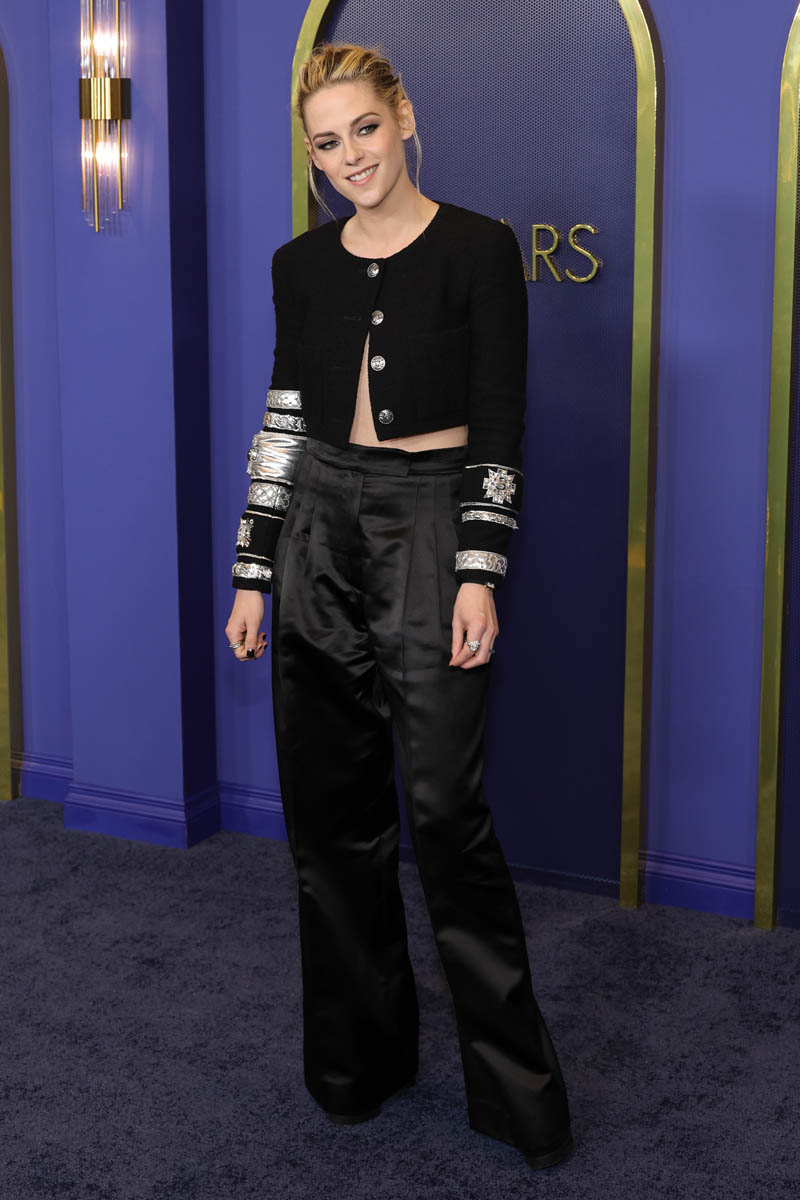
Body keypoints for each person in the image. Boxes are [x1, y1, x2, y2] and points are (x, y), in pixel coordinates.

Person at [224, 41, 574, 1171]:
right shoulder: (299, 265)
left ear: (404, 117)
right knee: (330, 820)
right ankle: (355, 1066)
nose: (349, 159)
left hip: (431, 523)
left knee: (443, 814)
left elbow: (499, 421)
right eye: (326, 144)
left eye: (363, 130)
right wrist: (254, 566)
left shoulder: (477, 248)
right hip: (317, 527)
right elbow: (284, 418)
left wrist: (479, 570)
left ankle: (515, 1100)